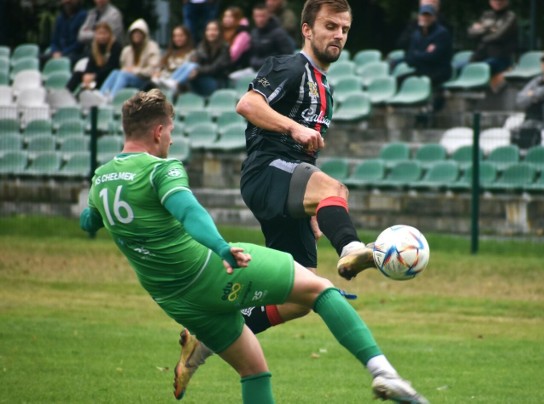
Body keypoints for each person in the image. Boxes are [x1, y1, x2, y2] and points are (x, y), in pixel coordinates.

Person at [79, 88, 429, 404]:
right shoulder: (160, 170)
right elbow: (189, 212)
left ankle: (199, 346)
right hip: (208, 271)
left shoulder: (101, 179)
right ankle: (383, 373)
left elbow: (89, 222)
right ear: (158, 131)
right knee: (320, 290)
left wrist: (98, 216)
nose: (170, 140)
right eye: (169, 131)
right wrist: (221, 247)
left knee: (254, 369)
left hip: (174, 300)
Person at [233, 0, 380, 340]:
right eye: (330, 26)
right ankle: (351, 250)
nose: (338, 35)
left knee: (302, 294)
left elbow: (305, 160)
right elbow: (248, 103)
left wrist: (316, 207)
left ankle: (210, 335)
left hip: (287, 178)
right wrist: (293, 128)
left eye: (344, 29)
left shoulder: (326, 87)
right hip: (265, 170)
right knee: (337, 189)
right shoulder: (290, 67)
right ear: (307, 29)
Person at [164, 20, 231, 96]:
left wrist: (198, 71)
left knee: (192, 67)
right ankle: (172, 81)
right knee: (190, 64)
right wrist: (194, 62)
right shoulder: (202, 46)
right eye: (208, 30)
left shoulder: (225, 47)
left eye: (214, 30)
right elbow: (196, 60)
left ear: (220, 32)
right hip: (200, 78)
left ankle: (174, 83)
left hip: (218, 81)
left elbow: (215, 68)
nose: (211, 33)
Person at [99, 18, 160, 98]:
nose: (136, 35)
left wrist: (135, 70)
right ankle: (101, 95)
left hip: (144, 81)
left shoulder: (152, 47)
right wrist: (127, 70)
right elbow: (123, 67)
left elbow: (152, 70)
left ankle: (112, 97)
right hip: (130, 78)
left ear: (144, 35)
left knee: (124, 75)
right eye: (134, 33)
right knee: (115, 72)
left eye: (139, 33)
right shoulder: (127, 50)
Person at [467, 0, 518, 85]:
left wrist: (482, 30)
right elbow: (471, 33)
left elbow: (498, 36)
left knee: (477, 69)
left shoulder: (510, 16)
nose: (498, 2)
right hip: (479, 56)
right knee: (455, 66)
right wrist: (489, 29)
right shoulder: (486, 15)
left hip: (500, 58)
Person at [403, 4, 452, 89]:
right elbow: (409, 58)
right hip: (422, 70)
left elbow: (433, 57)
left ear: (434, 17)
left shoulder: (442, 33)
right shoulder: (416, 34)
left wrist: (416, 54)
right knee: (400, 79)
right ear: (419, 17)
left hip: (439, 71)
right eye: (423, 15)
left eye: (428, 15)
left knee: (423, 81)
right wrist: (422, 54)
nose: (425, 18)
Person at [66, 21, 122, 92]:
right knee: (78, 74)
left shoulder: (116, 47)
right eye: (99, 34)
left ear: (109, 34)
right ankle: (66, 93)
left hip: (108, 76)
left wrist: (94, 76)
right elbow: (90, 64)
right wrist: (87, 74)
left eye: (104, 33)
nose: (102, 36)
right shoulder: (94, 48)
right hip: (94, 76)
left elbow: (112, 67)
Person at [248, 3, 296, 72]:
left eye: (262, 16)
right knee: (235, 77)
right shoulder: (254, 33)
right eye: (257, 16)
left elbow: (287, 55)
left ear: (268, 16)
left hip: (275, 70)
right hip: (256, 68)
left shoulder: (279, 33)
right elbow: (252, 54)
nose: (260, 19)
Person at [151, 25, 195, 91]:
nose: (178, 38)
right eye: (175, 36)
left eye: (181, 36)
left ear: (187, 37)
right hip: (163, 80)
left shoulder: (192, 53)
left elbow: (189, 70)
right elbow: (160, 67)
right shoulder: (168, 53)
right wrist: (157, 72)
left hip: (179, 83)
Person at [45, 0, 87, 66]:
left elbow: (80, 43)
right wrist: (55, 51)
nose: (67, 1)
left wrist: (62, 53)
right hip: (58, 53)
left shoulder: (84, 16)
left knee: (69, 59)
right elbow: (54, 41)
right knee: (40, 58)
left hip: (75, 53)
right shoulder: (59, 18)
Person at [221, 6, 252, 71]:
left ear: (237, 18)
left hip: (238, 69)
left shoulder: (243, 34)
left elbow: (232, 56)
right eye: (225, 16)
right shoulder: (222, 31)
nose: (226, 19)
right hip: (221, 66)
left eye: (230, 17)